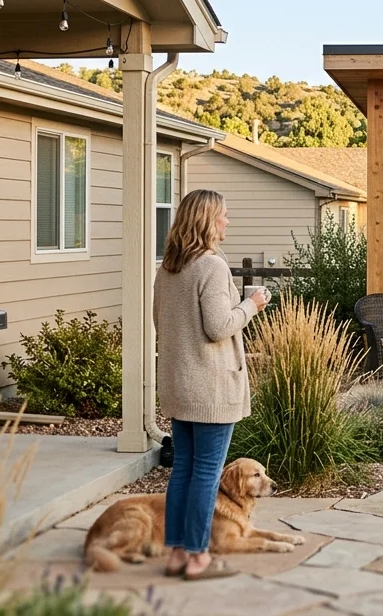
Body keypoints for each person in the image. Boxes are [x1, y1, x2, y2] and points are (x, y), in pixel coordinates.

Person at [153, 188, 268, 580]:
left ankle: (176, 553)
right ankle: (199, 556)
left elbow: (160, 323)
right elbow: (218, 327)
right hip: (211, 388)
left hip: (178, 385)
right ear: (207, 220)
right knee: (205, 473)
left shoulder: (167, 268)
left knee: (182, 469)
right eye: (223, 215)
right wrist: (251, 305)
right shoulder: (211, 267)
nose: (227, 221)